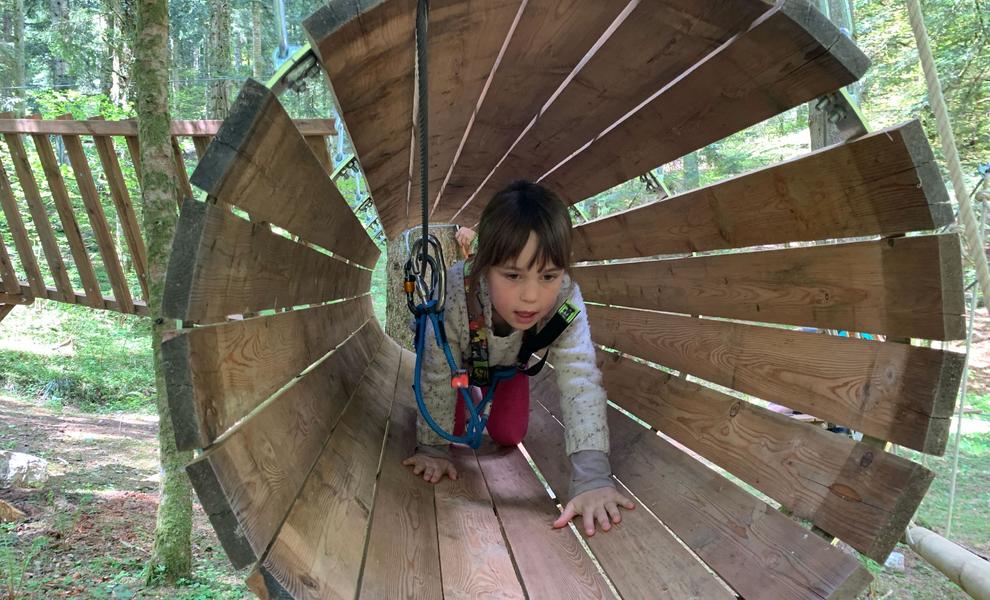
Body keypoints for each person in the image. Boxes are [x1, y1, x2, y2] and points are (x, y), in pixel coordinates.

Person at [402, 180, 635, 537]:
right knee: (454, 432)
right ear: (483, 266)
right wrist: (432, 447)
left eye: (548, 275)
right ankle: (469, 401)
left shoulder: (565, 301)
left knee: (509, 435)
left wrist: (592, 476)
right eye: (512, 275)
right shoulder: (453, 290)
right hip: (458, 368)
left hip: (510, 367)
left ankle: (486, 395)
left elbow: (580, 378)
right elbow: (435, 368)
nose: (531, 296)